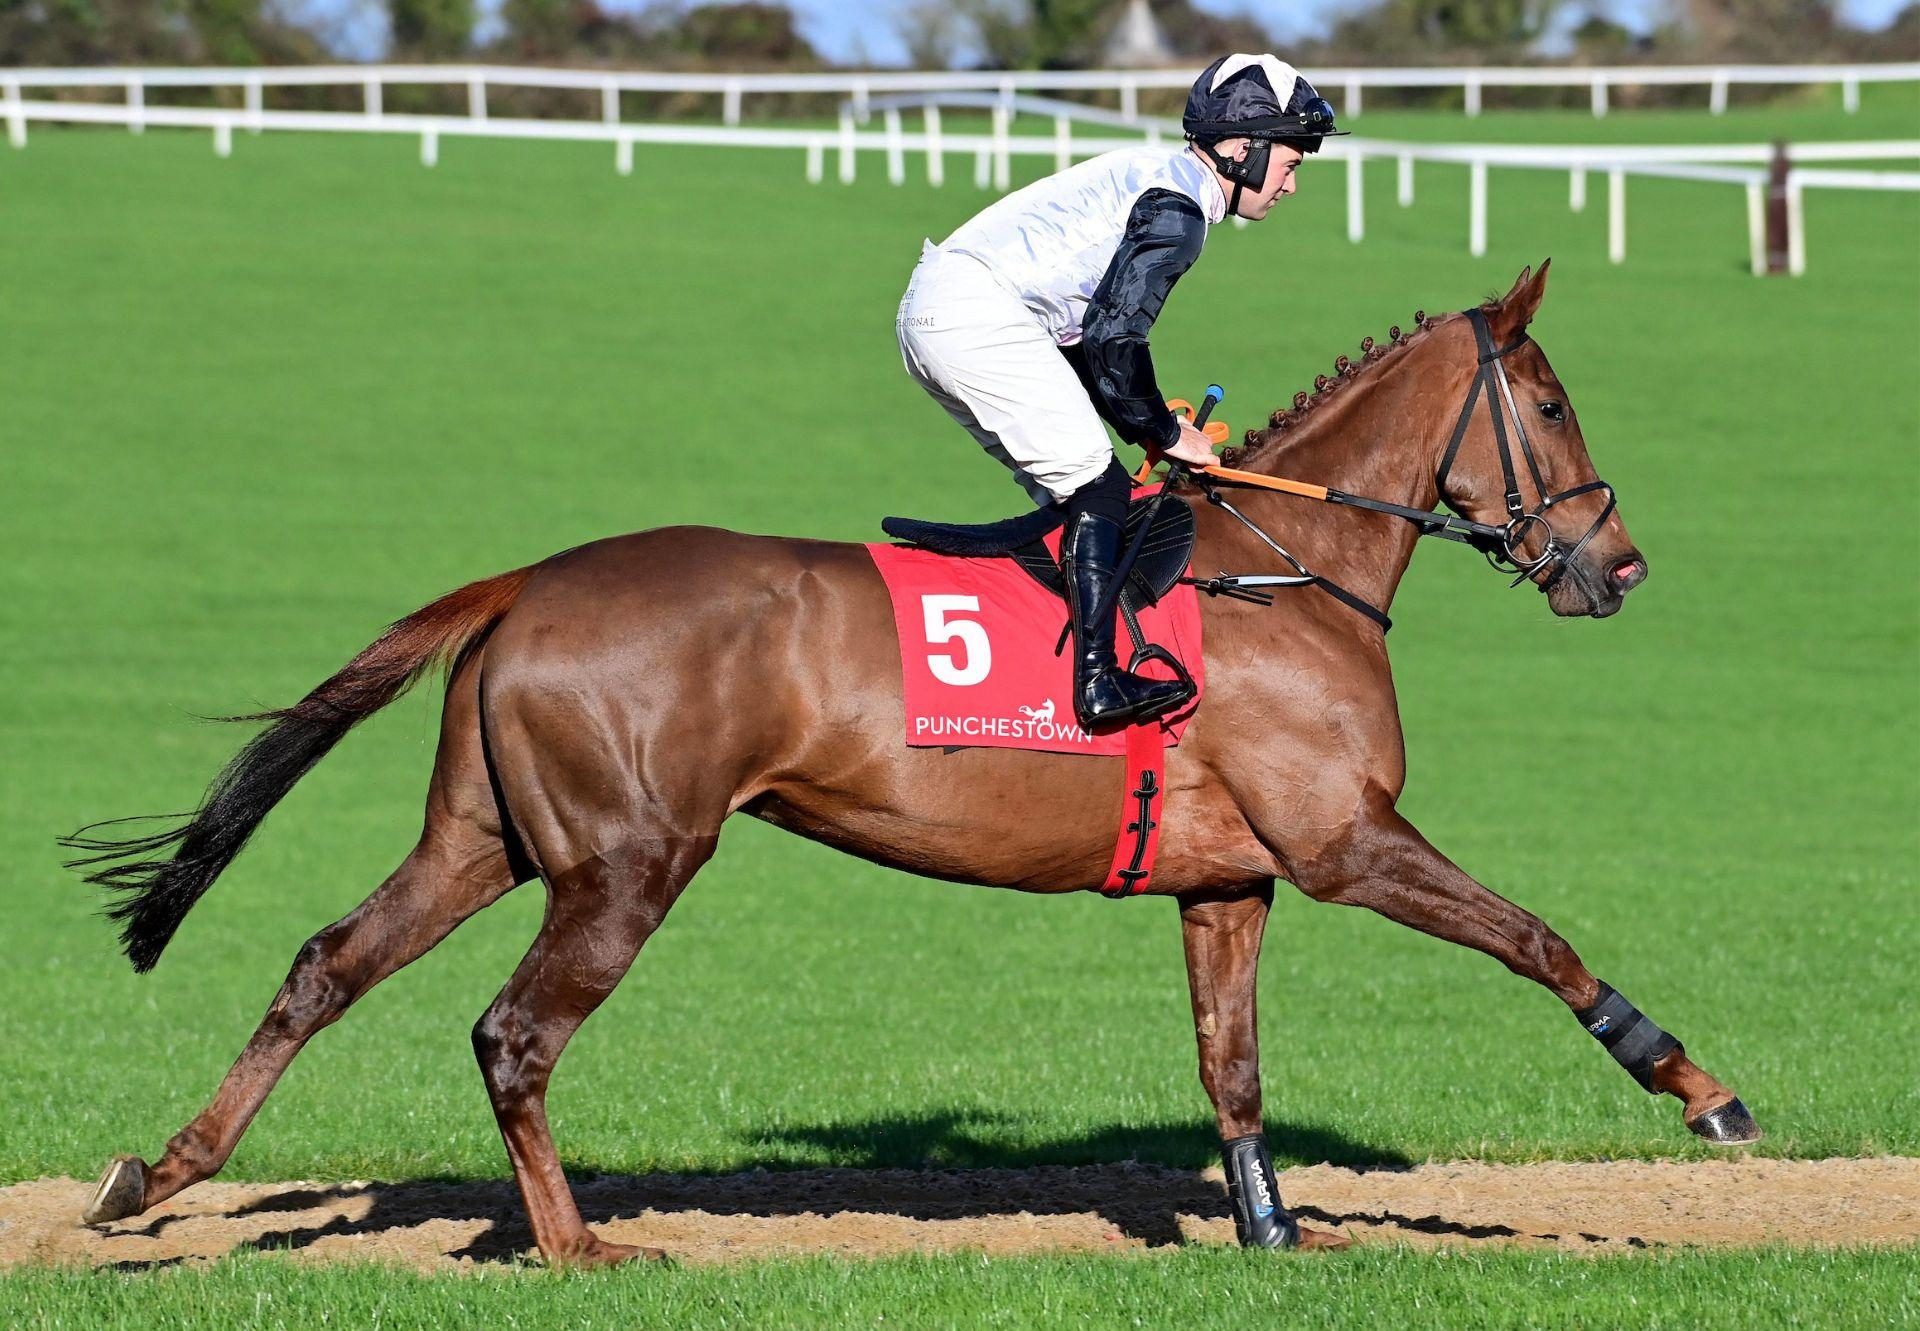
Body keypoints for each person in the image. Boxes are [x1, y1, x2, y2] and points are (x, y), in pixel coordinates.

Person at [896, 54, 1345, 732]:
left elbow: (1086, 340)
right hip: (975, 316)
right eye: (1291, 161)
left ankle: (1042, 659)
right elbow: (1114, 340)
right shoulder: (1179, 212)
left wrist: (1150, 425)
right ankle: (1098, 682)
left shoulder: (1159, 178)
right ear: (1240, 149)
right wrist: (1164, 432)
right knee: (1100, 490)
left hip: (949, 312)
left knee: (1080, 494)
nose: (1291, 184)